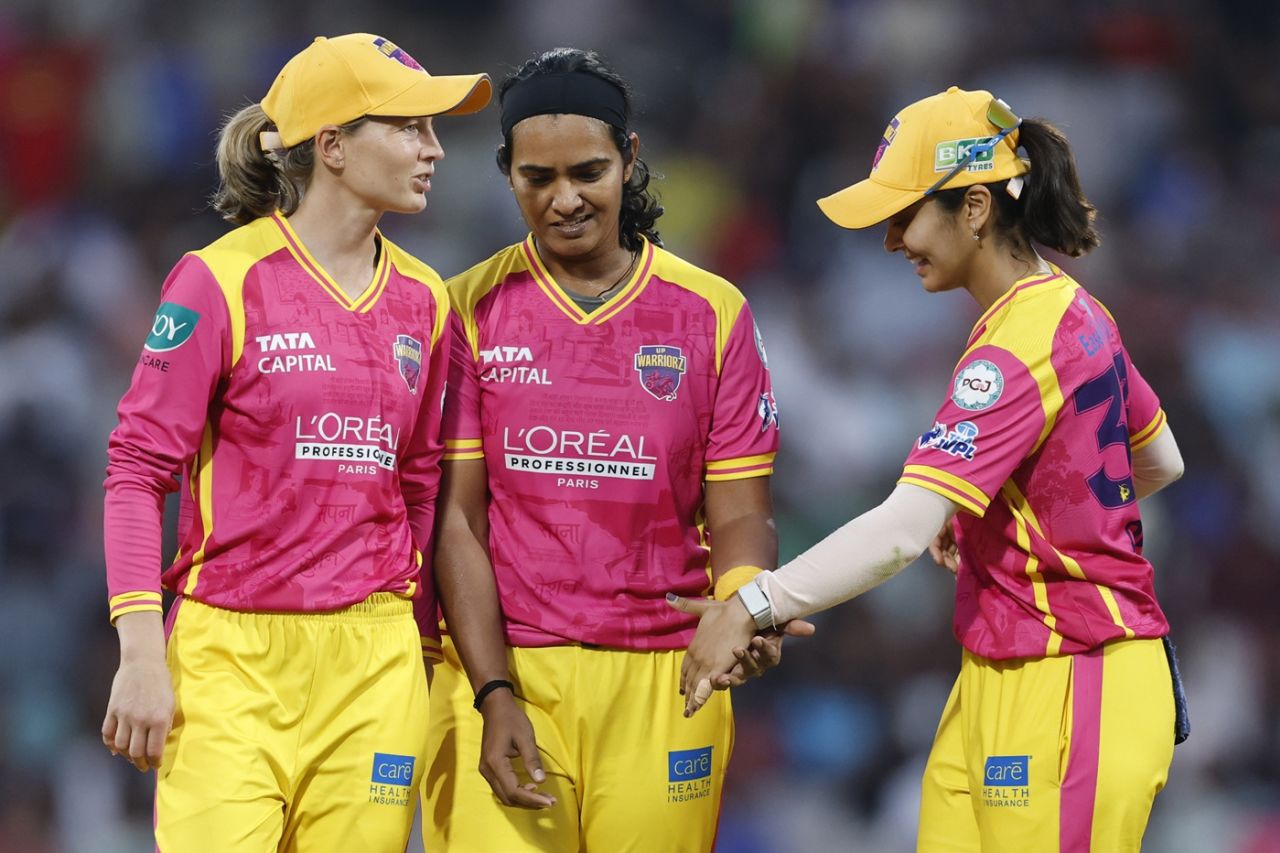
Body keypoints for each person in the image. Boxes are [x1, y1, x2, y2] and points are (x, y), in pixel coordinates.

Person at [673, 86, 1188, 853]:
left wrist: (753, 604)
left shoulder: (1016, 345)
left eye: (905, 213)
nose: (891, 240)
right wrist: (989, 513)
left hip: (1074, 682)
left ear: (974, 207)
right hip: (1002, 675)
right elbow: (1159, 457)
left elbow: (899, 533)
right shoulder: (1074, 312)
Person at [99, 33, 490, 851]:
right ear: (334, 145)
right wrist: (139, 651)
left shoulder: (426, 299)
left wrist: (417, 649)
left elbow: (417, 487)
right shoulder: (219, 278)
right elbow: (137, 469)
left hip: (375, 662)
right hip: (230, 659)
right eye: (411, 128)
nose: (434, 149)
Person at [421, 47, 808, 853]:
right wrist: (493, 691)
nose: (564, 199)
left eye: (589, 172)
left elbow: (740, 509)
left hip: (667, 682)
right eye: (537, 178)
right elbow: (454, 521)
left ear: (630, 161)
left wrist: (741, 601)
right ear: (508, 175)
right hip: (506, 675)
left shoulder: (713, 313)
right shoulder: (464, 309)